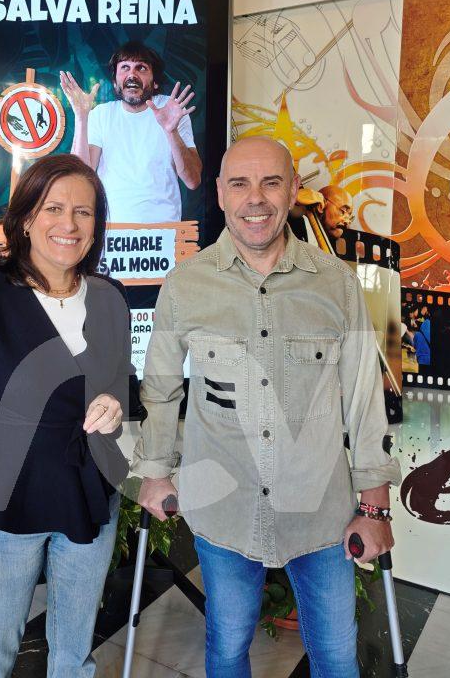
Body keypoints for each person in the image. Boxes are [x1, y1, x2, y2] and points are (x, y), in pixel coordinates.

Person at [132, 136, 400, 678]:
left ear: (294, 190)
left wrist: (374, 507)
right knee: (228, 649)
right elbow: (161, 387)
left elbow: (364, 398)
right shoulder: (185, 285)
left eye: (271, 182)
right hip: (224, 510)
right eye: (240, 184)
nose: (255, 199)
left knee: (336, 658)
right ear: (220, 194)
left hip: (321, 516)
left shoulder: (337, 285)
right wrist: (155, 472)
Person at [0, 154, 137, 678]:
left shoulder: (110, 298)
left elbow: (123, 379)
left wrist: (117, 401)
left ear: (97, 224)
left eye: (83, 212)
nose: (69, 224)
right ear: (26, 218)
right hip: (6, 509)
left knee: (74, 658)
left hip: (89, 500)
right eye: (53, 208)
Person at [59, 41, 202, 223]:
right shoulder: (101, 114)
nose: (132, 74)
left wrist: (171, 131)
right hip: (111, 231)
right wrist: (81, 117)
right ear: (115, 82)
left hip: (164, 230)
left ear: (155, 82)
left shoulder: (172, 110)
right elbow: (79, 177)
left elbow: (192, 180)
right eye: (125, 67)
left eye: (141, 68)